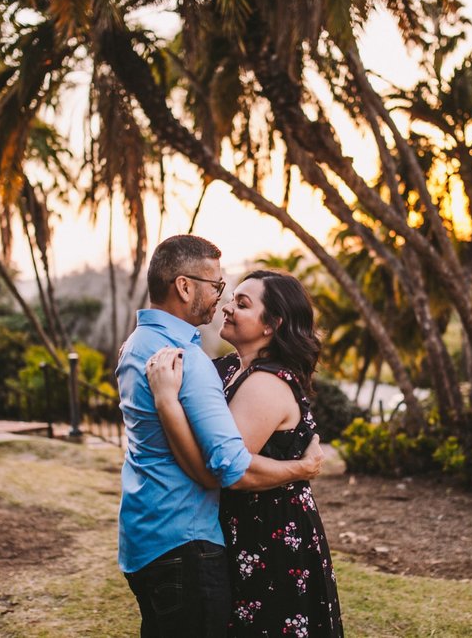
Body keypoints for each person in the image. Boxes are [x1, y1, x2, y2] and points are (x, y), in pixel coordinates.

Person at [116, 235, 325, 638]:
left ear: (271, 325)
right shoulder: (190, 360)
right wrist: (301, 468)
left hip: (154, 535)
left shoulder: (138, 344)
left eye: (239, 300)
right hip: (185, 539)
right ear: (184, 286)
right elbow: (226, 469)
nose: (222, 300)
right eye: (217, 287)